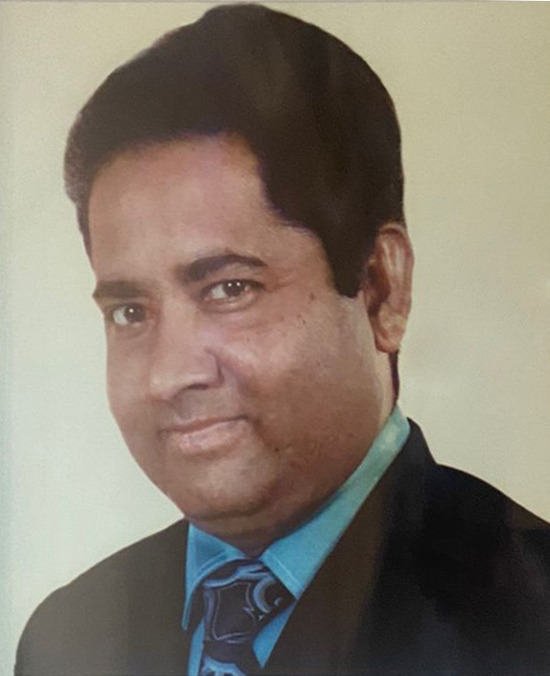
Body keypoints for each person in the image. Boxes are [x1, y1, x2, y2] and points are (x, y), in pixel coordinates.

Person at [15, 4, 550, 675]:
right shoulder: (65, 639)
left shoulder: (532, 620)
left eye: (229, 289)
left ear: (381, 290)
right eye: (129, 312)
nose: (167, 375)